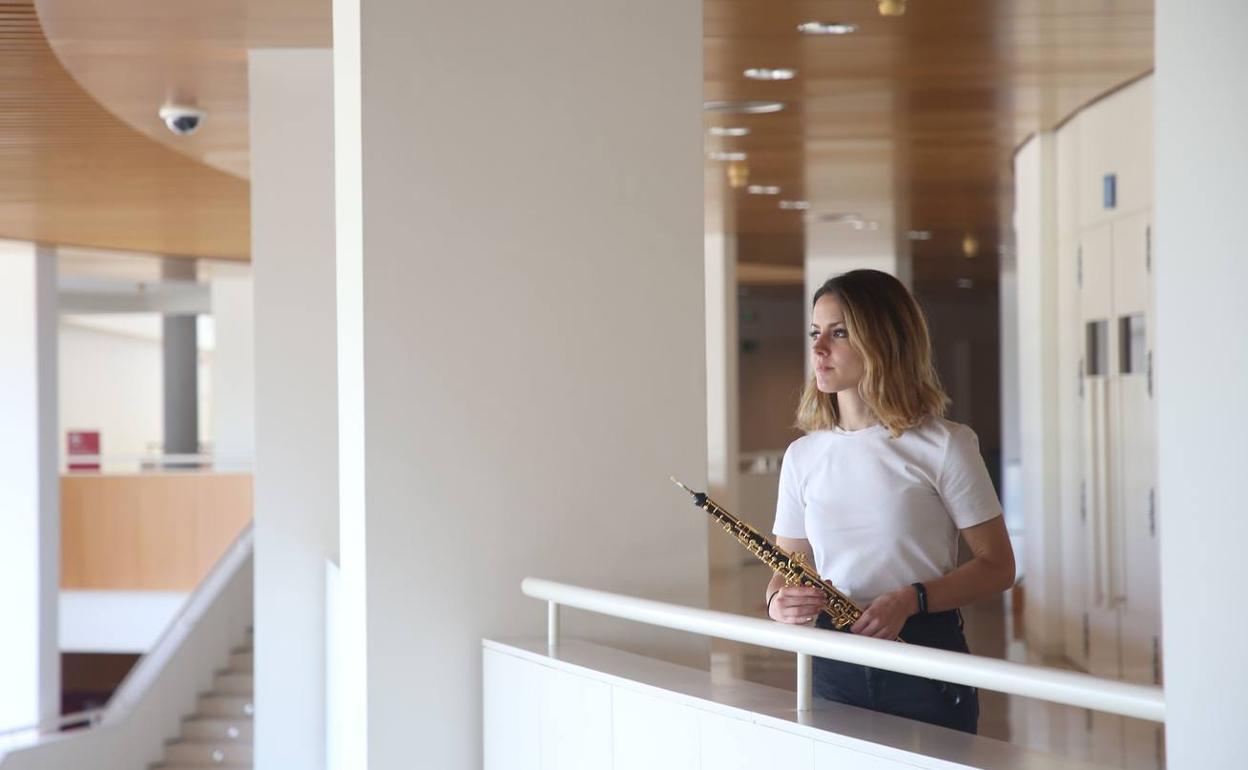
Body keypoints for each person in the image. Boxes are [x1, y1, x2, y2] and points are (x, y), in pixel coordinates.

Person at [764, 269, 1015, 735]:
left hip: (923, 658)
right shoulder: (803, 456)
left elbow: (998, 565)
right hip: (831, 661)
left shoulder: (945, 444)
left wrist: (911, 599)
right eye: (815, 333)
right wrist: (777, 602)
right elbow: (786, 566)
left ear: (883, 341)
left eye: (839, 333)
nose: (819, 349)